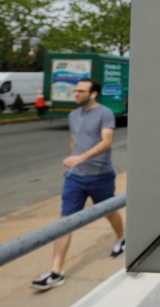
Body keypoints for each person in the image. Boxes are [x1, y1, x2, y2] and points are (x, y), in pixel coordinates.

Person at [30, 78, 125, 291]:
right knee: (65, 222)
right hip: (75, 178)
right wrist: (73, 162)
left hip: (100, 176)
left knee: (109, 212)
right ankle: (56, 272)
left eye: (80, 91)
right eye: (76, 91)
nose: (76, 94)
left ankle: (121, 237)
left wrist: (81, 158)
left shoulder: (105, 113)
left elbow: (107, 142)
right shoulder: (73, 115)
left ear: (93, 94)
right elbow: (74, 141)